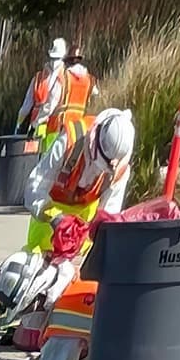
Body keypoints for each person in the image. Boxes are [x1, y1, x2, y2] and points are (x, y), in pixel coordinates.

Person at [24, 107, 134, 253]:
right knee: (34, 268)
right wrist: (55, 218)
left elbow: (108, 216)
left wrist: (91, 237)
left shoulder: (120, 169)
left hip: (83, 236)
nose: (98, 170)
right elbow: (34, 188)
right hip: (46, 222)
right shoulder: (71, 140)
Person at [17, 38, 67, 147]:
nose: (54, 62)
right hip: (36, 127)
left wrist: (34, 123)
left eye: (57, 58)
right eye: (53, 58)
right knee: (32, 157)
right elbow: (27, 102)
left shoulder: (64, 78)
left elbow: (51, 104)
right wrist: (20, 121)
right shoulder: (39, 77)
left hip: (52, 127)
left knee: (45, 155)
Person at [46, 45, 97, 143]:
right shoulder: (89, 80)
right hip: (78, 130)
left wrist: (40, 119)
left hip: (58, 129)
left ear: (68, 61)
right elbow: (96, 95)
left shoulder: (63, 77)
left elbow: (51, 104)